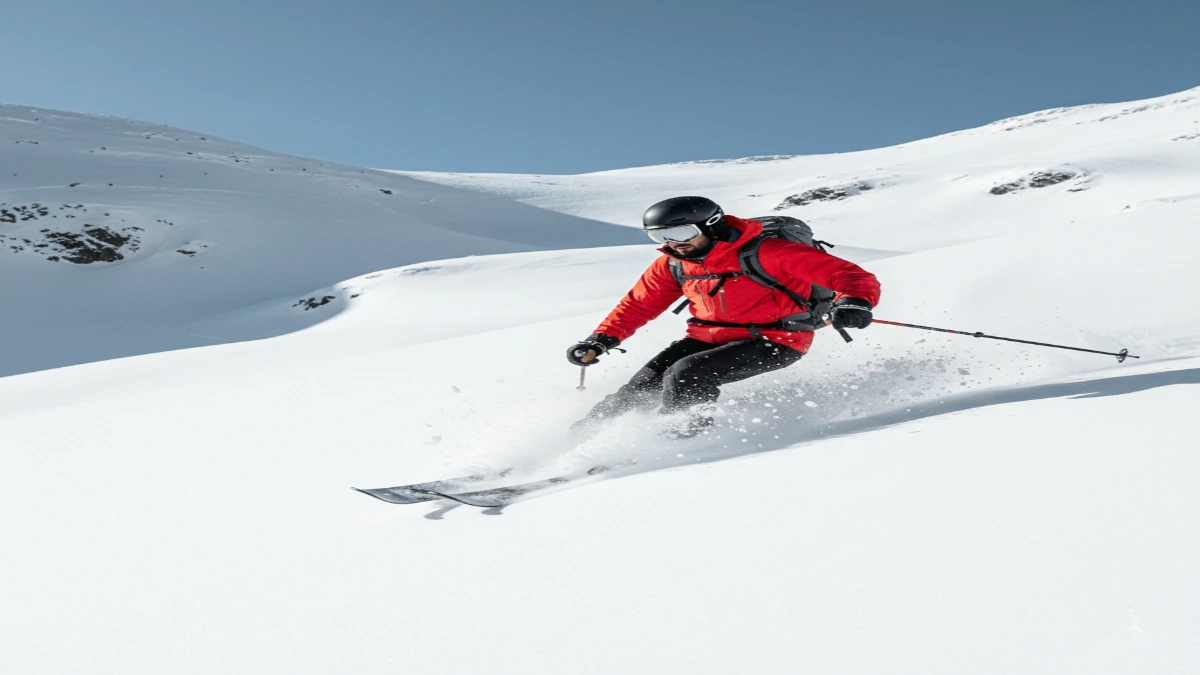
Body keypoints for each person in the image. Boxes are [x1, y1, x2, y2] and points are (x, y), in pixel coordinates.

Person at [567, 196, 881, 437]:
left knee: (688, 373)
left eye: (681, 231)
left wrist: (854, 302)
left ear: (711, 225)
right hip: (704, 336)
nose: (673, 242)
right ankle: (574, 442)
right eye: (660, 235)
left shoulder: (768, 251)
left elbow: (848, 275)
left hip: (776, 338)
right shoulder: (673, 263)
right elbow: (639, 304)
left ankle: (677, 442)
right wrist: (601, 339)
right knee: (641, 387)